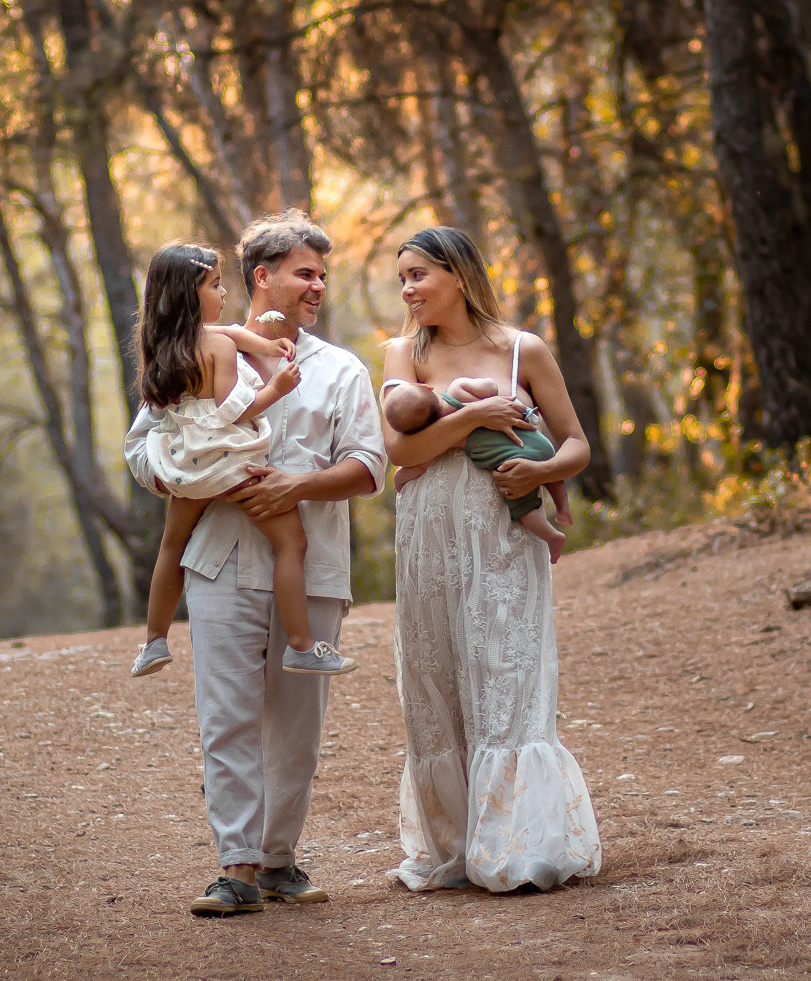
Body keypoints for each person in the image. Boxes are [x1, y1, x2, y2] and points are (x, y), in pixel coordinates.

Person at [125, 213, 387, 918]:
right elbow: (140, 447)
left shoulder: (342, 370)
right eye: (306, 272)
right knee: (227, 719)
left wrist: (294, 486)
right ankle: (235, 868)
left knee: (296, 726)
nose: (318, 286)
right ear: (261, 277)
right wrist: (186, 477)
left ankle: (278, 858)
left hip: (312, 564)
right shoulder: (193, 351)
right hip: (217, 561)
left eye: (323, 275)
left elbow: (370, 468)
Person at [379, 225, 602, 893]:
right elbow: (404, 453)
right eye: (402, 279)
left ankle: (516, 843)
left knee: (504, 673)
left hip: (502, 538)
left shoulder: (521, 350)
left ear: (459, 274)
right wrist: (475, 421)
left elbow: (576, 446)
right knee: (437, 679)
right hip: (429, 538)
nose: (409, 290)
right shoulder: (403, 354)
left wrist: (534, 475)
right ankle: (453, 843)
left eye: (419, 274)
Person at [126, 243, 354, 681]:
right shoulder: (217, 348)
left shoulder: (167, 345)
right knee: (291, 544)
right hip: (228, 466)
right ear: (192, 296)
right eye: (215, 285)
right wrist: (278, 388)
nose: (225, 293)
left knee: (172, 545)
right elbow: (234, 409)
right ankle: (304, 646)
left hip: (187, 466)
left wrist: (267, 340)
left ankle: (153, 641)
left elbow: (235, 333)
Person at [382, 373, 574, 563]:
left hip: (514, 462)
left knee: (525, 510)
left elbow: (421, 466)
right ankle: (562, 507)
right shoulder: (457, 391)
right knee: (550, 471)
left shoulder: (442, 440)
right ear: (427, 388)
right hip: (534, 440)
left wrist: (400, 477)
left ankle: (552, 536)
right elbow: (490, 386)